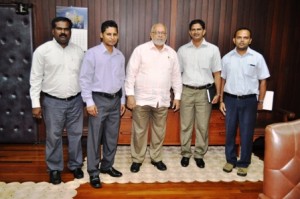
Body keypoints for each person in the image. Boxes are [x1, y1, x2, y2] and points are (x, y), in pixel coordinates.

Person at [29, 17, 84, 185]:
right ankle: (54, 169)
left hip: (76, 101)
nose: (63, 32)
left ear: (70, 32)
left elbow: (85, 77)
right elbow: (35, 78)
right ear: (53, 31)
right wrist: (35, 104)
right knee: (53, 137)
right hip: (52, 102)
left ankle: (75, 165)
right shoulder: (42, 51)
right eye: (59, 29)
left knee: (76, 135)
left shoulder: (78, 51)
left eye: (66, 29)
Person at [125, 23, 182, 173]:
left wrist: (177, 97)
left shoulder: (172, 53)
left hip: (162, 100)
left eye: (163, 33)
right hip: (141, 100)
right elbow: (130, 74)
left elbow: (176, 77)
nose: (160, 35)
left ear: (166, 35)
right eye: (157, 32)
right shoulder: (140, 50)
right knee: (139, 131)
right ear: (151, 34)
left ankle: (156, 158)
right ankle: (137, 159)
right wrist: (130, 95)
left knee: (159, 131)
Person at [79, 20, 126, 188]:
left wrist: (122, 100)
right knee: (95, 138)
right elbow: (84, 79)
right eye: (108, 34)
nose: (112, 37)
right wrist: (89, 102)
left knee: (111, 137)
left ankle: (107, 166)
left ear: (118, 35)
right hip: (97, 100)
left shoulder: (120, 55)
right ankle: (93, 171)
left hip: (115, 101)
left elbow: (122, 79)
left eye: (114, 34)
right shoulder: (92, 54)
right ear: (101, 35)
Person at [219, 27, 270, 177]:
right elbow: (223, 80)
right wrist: (221, 100)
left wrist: (260, 101)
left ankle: (244, 163)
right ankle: (230, 160)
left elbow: (263, 81)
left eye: (245, 37)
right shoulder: (227, 58)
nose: (242, 40)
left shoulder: (257, 57)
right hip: (230, 100)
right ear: (234, 40)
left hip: (249, 101)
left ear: (250, 40)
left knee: (247, 133)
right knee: (230, 132)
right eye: (239, 37)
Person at [177, 19, 222, 168]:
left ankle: (199, 154)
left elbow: (217, 73)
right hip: (187, 91)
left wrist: (218, 93)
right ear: (190, 32)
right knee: (186, 125)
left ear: (204, 31)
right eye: (193, 29)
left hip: (205, 92)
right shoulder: (182, 50)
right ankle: (185, 154)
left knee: (202, 126)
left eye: (199, 29)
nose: (196, 32)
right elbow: (177, 74)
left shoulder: (213, 49)